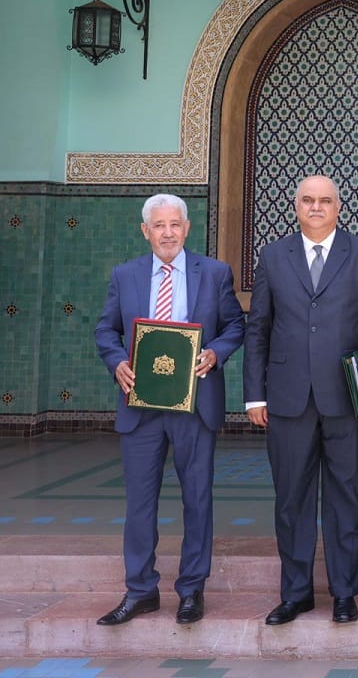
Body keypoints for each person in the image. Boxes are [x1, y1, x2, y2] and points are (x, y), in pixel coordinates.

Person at [243, 175, 358, 626]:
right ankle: (296, 593)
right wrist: (254, 395)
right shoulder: (272, 256)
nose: (315, 207)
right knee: (291, 499)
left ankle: (345, 593)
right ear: (295, 206)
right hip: (287, 398)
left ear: (338, 206)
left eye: (325, 200)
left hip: (348, 397)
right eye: (307, 200)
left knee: (348, 496)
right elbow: (258, 330)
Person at [94, 194, 245, 626]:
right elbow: (106, 329)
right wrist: (116, 361)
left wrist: (215, 353)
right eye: (158, 225)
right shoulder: (125, 276)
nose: (167, 233)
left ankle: (191, 590)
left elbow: (236, 324)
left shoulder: (214, 273)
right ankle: (140, 590)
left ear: (187, 228)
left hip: (194, 405)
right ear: (146, 231)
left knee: (197, 500)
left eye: (174, 224)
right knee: (140, 503)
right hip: (140, 407)